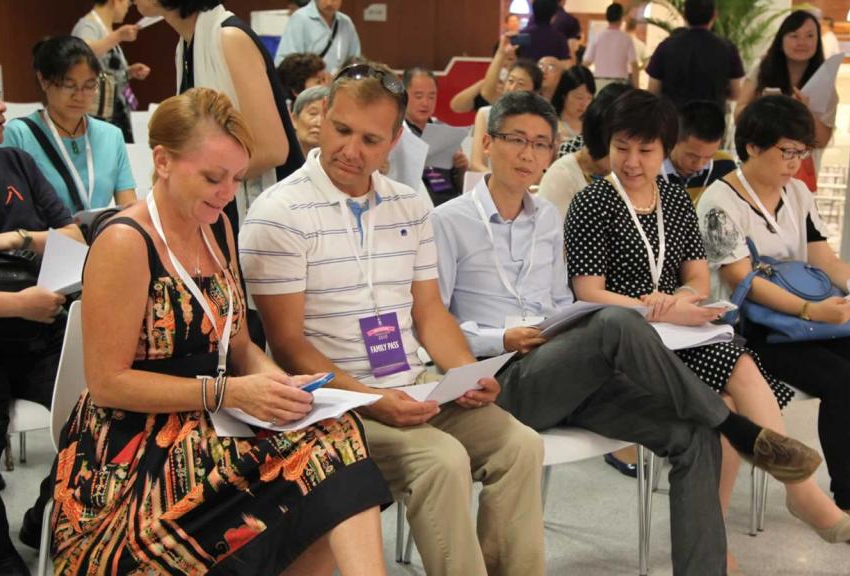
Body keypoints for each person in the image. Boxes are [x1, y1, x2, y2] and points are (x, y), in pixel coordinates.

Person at [433, 91, 824, 576]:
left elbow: (564, 303)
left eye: (540, 143)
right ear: (487, 143)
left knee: (695, 435)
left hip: (564, 369)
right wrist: (501, 337)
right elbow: (432, 324)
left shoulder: (547, 219)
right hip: (500, 382)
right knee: (617, 319)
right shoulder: (447, 221)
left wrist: (566, 324)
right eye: (516, 140)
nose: (528, 154)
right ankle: (738, 428)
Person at [50, 87, 390, 575]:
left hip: (214, 415)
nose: (227, 193)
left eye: (236, 178)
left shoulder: (217, 227)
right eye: (213, 177)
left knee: (335, 432)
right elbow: (107, 382)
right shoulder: (125, 242)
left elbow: (241, 346)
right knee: (321, 462)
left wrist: (277, 385)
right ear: (162, 161)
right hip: (136, 446)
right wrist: (231, 393)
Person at [239, 63, 546, 576]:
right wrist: (375, 400)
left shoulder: (408, 203)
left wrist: (467, 373)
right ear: (324, 118)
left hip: (414, 385)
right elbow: (287, 344)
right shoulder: (280, 212)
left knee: (521, 445)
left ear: (394, 141)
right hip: (331, 402)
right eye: (340, 129)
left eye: (370, 138)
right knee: (441, 461)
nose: (350, 149)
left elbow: (429, 313)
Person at [563, 90, 850, 570]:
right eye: (622, 147)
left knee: (735, 379)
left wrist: (683, 299)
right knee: (723, 399)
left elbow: (699, 277)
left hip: (679, 333)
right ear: (607, 144)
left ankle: (773, 507)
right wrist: (652, 308)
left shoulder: (675, 200)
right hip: (622, 340)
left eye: (646, 150)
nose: (633, 161)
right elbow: (588, 293)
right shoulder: (592, 203)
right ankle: (789, 500)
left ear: (664, 150)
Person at [698, 94, 850, 556]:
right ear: (752, 146)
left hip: (803, 322)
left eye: (802, 152)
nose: (796, 163)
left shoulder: (798, 193)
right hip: (752, 329)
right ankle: (847, 498)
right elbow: (741, 280)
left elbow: (822, 258)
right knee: (843, 382)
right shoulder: (719, 200)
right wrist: (812, 311)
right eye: (787, 152)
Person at [0, 51, 84, 576]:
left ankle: (41, 514)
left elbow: (76, 233)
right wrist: (17, 304)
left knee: (99, 404)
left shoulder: (16, 163)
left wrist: (16, 238)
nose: (0, 105)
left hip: (40, 332)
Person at [135, 0, 304, 235]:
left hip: (268, 219)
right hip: (225, 206)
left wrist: (197, 179)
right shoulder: (186, 45)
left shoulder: (230, 38)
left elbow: (272, 149)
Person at [2, 37, 137, 214]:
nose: (79, 96)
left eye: (89, 86)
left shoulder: (111, 136)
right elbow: (12, 210)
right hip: (44, 239)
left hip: (99, 237)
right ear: (44, 81)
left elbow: (129, 207)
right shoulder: (19, 134)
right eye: (69, 85)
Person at [735, 10, 836, 191]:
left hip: (798, 174)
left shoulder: (825, 83)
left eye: (810, 36)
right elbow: (738, 115)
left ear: (818, 41)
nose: (802, 42)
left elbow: (822, 141)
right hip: (760, 166)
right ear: (781, 40)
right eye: (794, 35)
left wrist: (806, 112)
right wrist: (763, 106)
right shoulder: (762, 70)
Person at [540, 82, 631, 217]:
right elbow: (553, 235)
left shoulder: (636, 174)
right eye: (622, 149)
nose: (631, 161)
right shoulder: (562, 177)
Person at [73, 0, 152, 143]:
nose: (127, 9)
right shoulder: (88, 25)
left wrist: (128, 72)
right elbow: (82, 53)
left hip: (117, 113)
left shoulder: (106, 29)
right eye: (127, 3)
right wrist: (118, 36)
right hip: (98, 117)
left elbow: (106, 71)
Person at [646, 0, 745, 110]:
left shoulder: (666, 46)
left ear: (684, 14)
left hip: (674, 120)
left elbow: (653, 91)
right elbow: (736, 93)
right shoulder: (728, 49)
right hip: (712, 120)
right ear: (714, 15)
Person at [403, 67, 469, 206]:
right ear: (404, 95)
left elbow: (460, 185)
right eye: (418, 96)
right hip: (418, 203)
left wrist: (461, 168)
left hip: (451, 201)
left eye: (431, 96)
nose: (425, 103)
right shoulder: (397, 133)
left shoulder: (445, 131)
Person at [470, 59, 542, 173]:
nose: (512, 88)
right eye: (510, 81)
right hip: (490, 182)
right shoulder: (485, 114)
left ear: (535, 92)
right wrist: (501, 182)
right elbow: (476, 164)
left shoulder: (540, 122)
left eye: (521, 84)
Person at [662, 99, 736, 205]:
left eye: (709, 157)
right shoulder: (651, 169)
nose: (699, 166)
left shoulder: (724, 166)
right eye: (692, 156)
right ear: (673, 139)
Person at [275, 0, 361, 71]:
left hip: (337, 86)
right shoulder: (300, 18)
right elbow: (286, 63)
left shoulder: (346, 23)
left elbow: (354, 60)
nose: (329, 3)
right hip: (308, 87)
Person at [449, 33, 518, 114]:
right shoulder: (485, 87)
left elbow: (489, 94)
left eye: (510, 59)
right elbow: (456, 106)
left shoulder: (518, 92)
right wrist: (484, 83)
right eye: (499, 59)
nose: (504, 63)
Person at [583, 3, 640, 90]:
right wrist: (636, 88)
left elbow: (587, 62)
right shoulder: (626, 38)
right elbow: (634, 65)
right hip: (620, 84)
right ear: (621, 17)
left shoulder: (597, 37)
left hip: (599, 83)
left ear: (607, 17)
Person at [550, 64, 595, 145]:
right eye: (579, 97)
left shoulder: (593, 126)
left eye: (589, 98)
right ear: (564, 95)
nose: (584, 104)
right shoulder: (551, 125)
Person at [519, 0, 572, 64]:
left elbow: (516, 55)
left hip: (526, 72)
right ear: (553, 15)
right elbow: (565, 61)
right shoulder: (559, 37)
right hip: (550, 73)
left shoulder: (523, 34)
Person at [291, 85, 327, 158]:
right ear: (294, 119)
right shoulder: (279, 158)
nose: (319, 123)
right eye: (313, 113)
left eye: (326, 115)